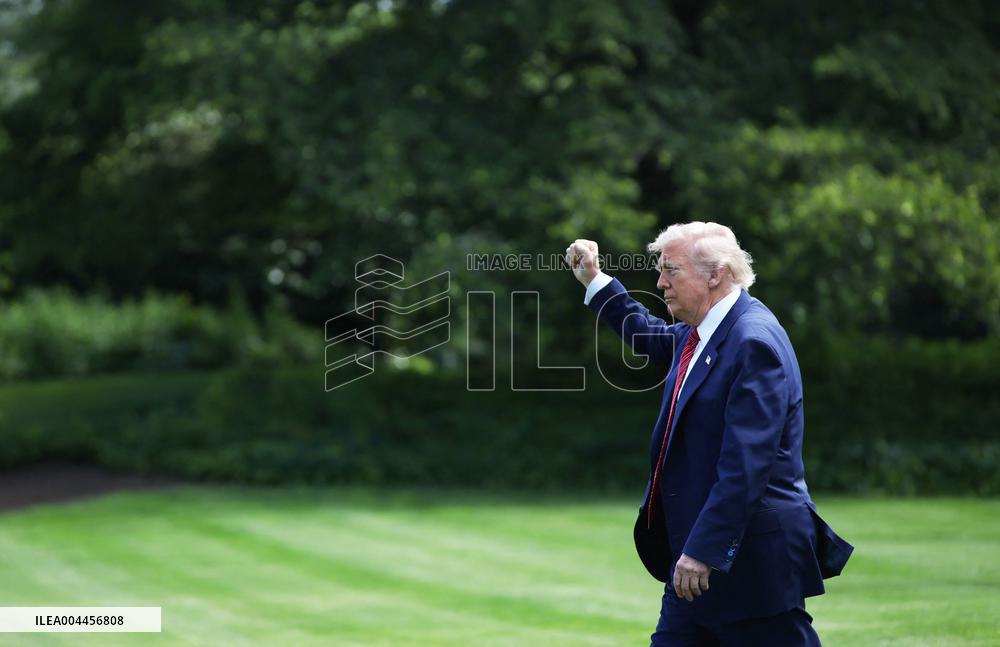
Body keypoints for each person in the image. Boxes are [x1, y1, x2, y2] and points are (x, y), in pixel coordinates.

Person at [566, 222, 852, 646]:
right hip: (695, 565)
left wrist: (704, 551)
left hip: (746, 565)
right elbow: (649, 336)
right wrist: (595, 279)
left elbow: (746, 466)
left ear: (715, 274)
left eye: (671, 271)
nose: (660, 282)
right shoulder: (704, 333)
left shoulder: (753, 342)